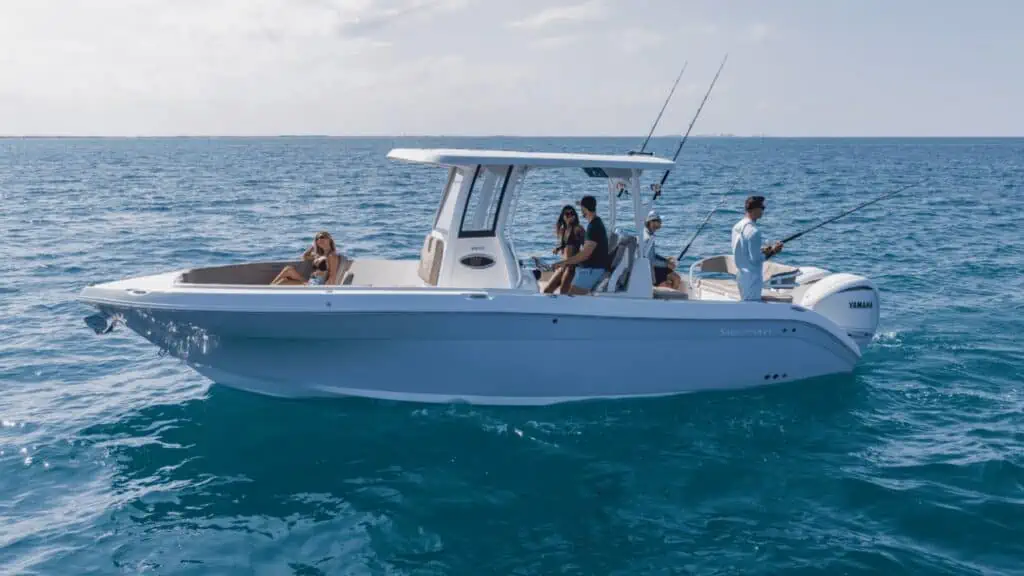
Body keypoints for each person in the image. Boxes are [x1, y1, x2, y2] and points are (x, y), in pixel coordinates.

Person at [551, 195, 610, 295]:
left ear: (584, 209)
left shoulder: (594, 227)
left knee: (571, 296)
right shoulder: (596, 223)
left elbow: (584, 255)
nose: (580, 211)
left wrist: (564, 262)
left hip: (592, 271)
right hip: (589, 269)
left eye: (581, 208)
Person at [731, 195, 783, 301]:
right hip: (752, 279)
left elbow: (743, 250)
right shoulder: (754, 231)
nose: (763, 210)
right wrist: (774, 251)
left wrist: (764, 250)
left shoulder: (737, 226)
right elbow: (756, 260)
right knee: (750, 309)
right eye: (762, 207)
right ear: (755, 209)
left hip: (741, 275)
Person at [271, 231, 342, 285]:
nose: (320, 239)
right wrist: (313, 246)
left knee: (283, 281)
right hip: (311, 281)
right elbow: (305, 257)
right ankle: (268, 289)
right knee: (288, 269)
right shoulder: (319, 255)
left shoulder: (332, 256)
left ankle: (267, 291)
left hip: (316, 285)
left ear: (329, 239)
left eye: (323, 237)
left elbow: (332, 275)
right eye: (317, 238)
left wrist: (326, 291)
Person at [543, 205, 586, 294]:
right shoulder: (564, 229)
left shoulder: (578, 229)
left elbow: (587, 246)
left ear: (575, 215)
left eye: (572, 213)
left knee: (563, 293)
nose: (570, 215)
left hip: (571, 268)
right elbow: (566, 244)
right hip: (563, 266)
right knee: (547, 290)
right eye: (567, 214)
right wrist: (558, 248)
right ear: (563, 216)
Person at [642, 210, 682, 290]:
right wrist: (666, 264)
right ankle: (672, 298)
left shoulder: (647, 233)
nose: (661, 223)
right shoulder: (647, 238)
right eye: (659, 221)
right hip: (650, 269)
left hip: (650, 266)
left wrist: (665, 260)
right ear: (652, 222)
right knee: (676, 278)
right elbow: (651, 261)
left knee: (671, 278)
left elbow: (651, 254)